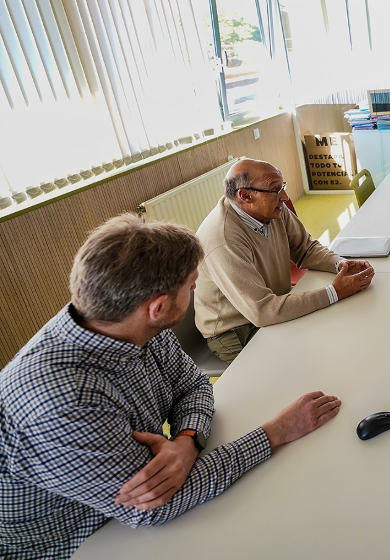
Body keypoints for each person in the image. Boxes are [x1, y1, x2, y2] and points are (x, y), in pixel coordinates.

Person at [0, 214, 344, 559]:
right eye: (191, 286)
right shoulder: (64, 401)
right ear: (159, 306)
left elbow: (193, 384)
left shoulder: (121, 317)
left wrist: (186, 441)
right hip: (79, 542)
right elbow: (154, 506)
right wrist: (277, 431)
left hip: (125, 516)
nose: (196, 290)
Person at [195, 158, 374, 362]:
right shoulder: (223, 238)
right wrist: (334, 292)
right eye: (275, 190)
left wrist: (340, 263)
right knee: (316, 355)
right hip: (237, 330)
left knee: (338, 332)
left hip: (272, 305)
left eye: (283, 187)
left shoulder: (272, 209)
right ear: (245, 196)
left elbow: (305, 249)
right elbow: (262, 312)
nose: (285, 197)